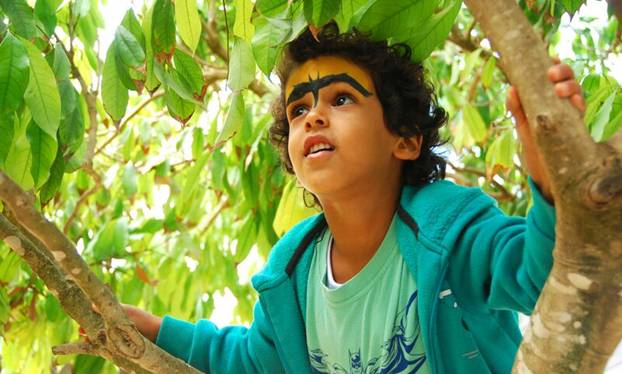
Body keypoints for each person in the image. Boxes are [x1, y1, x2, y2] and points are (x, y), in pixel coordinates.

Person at [118, 25, 585, 373]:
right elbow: (246, 361)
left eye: (340, 99)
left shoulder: (451, 227)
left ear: (404, 139)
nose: (314, 116)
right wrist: (156, 332)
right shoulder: (291, 271)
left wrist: (553, 176)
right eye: (298, 108)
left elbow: (546, 279)